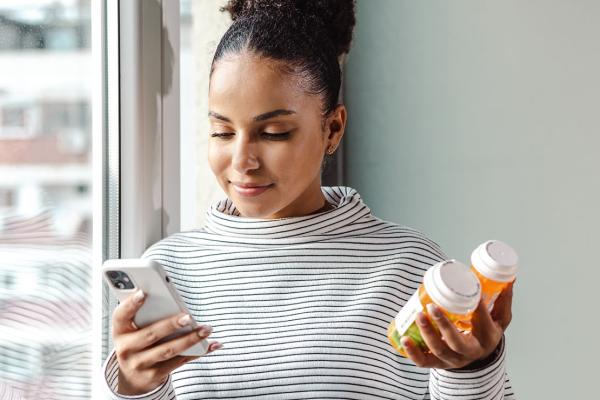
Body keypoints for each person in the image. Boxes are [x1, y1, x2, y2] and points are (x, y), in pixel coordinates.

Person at [102, 1, 516, 398]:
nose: (242, 161)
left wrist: (473, 369)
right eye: (222, 132)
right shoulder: (170, 270)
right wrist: (137, 390)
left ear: (333, 129)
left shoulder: (407, 267)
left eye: (274, 133)